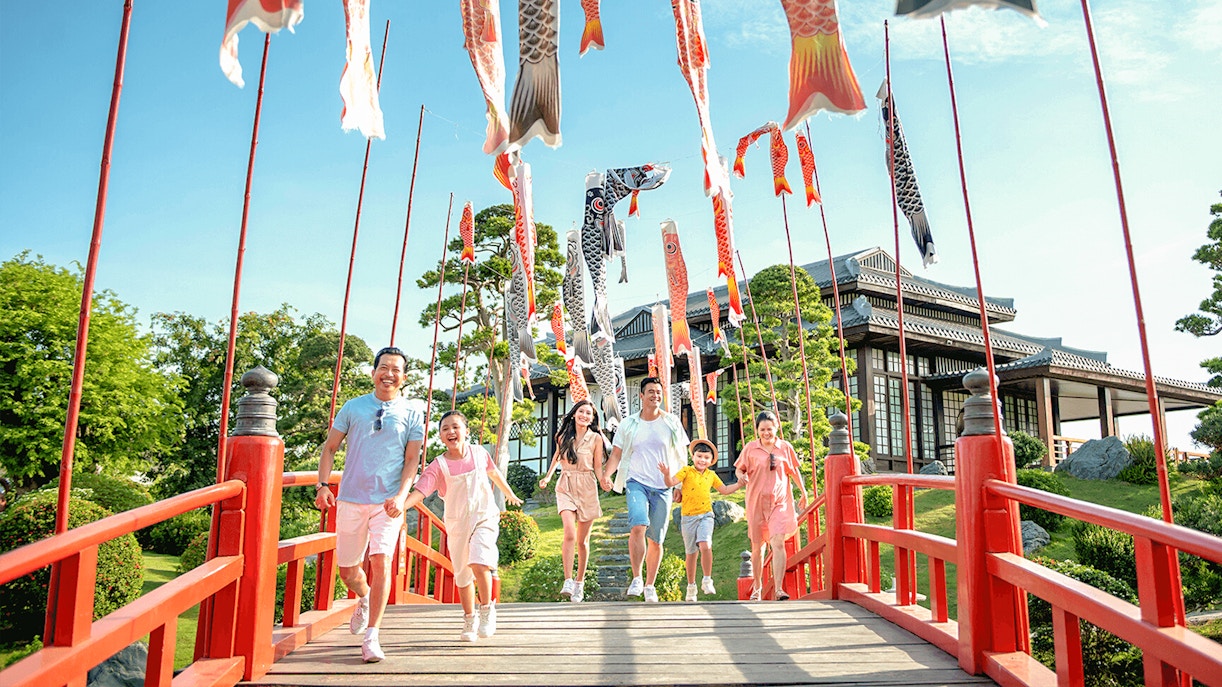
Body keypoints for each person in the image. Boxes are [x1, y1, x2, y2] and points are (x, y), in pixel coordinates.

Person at [315, 346, 425, 662]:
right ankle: (362, 597)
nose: (389, 374)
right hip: (350, 498)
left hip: (387, 502)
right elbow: (330, 449)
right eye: (384, 367)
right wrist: (323, 485)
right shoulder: (353, 407)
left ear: (404, 377)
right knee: (348, 571)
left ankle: (372, 637)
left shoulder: (413, 413)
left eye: (396, 369)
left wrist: (402, 496)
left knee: (380, 561)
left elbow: (411, 461)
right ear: (373, 371)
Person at [399, 410, 523, 641]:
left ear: (467, 431)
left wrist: (510, 494)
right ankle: (469, 618)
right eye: (445, 429)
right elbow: (421, 490)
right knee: (463, 576)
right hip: (457, 525)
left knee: (479, 561)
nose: (451, 432)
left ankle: (487, 609)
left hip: (484, 517)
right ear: (440, 436)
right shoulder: (439, 466)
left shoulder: (479, 453)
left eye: (455, 427)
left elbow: (494, 473)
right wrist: (401, 506)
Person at [600, 376, 689, 603]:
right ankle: (637, 578)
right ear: (641, 395)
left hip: (663, 487)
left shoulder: (671, 422)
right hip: (636, 482)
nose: (655, 396)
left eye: (658, 392)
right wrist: (605, 475)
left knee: (656, 539)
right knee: (638, 524)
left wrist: (678, 484)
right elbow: (617, 455)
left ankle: (650, 585)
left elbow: (681, 456)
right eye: (650, 392)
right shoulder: (628, 424)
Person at [735, 410, 809, 601]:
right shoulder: (750, 449)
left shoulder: (785, 447)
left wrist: (803, 491)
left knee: (777, 542)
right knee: (757, 547)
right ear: (757, 430)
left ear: (776, 428)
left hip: (780, 501)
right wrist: (740, 476)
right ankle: (758, 588)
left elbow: (793, 472)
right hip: (756, 501)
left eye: (770, 429)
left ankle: (778, 589)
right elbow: (739, 468)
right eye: (762, 429)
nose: (766, 433)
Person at [538, 400, 605, 603]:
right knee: (569, 532)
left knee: (583, 541)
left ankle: (579, 582)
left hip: (587, 486)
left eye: (589, 413)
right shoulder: (562, 436)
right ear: (574, 414)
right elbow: (556, 458)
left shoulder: (596, 439)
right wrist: (548, 477)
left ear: (592, 419)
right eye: (581, 411)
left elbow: (598, 467)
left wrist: (604, 481)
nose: (585, 415)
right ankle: (567, 580)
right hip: (565, 484)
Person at [659, 438, 741, 602]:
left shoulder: (711, 475)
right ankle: (691, 587)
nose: (702, 460)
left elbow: (724, 490)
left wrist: (740, 484)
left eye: (706, 458)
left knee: (705, 544)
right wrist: (667, 474)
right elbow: (670, 482)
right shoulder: (686, 471)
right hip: (688, 517)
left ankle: (707, 579)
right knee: (691, 554)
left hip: (706, 515)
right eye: (699, 456)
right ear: (693, 457)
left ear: (711, 461)